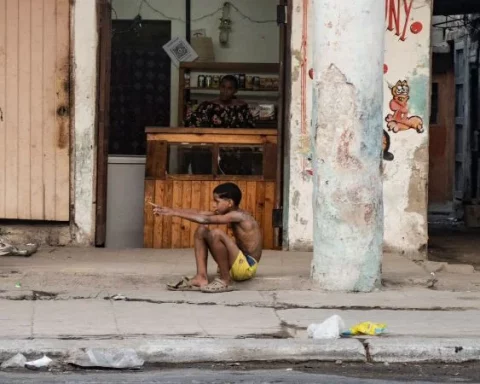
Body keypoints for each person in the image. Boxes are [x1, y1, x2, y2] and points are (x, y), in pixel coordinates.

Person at [153, 182, 262, 293]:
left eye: (217, 201)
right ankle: (201, 277)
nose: (214, 205)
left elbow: (205, 219)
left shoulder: (239, 216)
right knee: (201, 230)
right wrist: (169, 210)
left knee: (217, 234)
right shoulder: (228, 213)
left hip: (246, 268)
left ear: (229, 203)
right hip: (236, 262)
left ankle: (225, 280)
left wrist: (173, 213)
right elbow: (200, 213)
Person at [183, 75, 255, 128]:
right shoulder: (207, 106)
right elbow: (192, 125)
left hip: (236, 145)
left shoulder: (242, 108)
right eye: (223, 87)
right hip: (213, 146)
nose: (225, 91)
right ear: (219, 87)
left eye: (229, 88)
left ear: (235, 91)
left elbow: (250, 129)